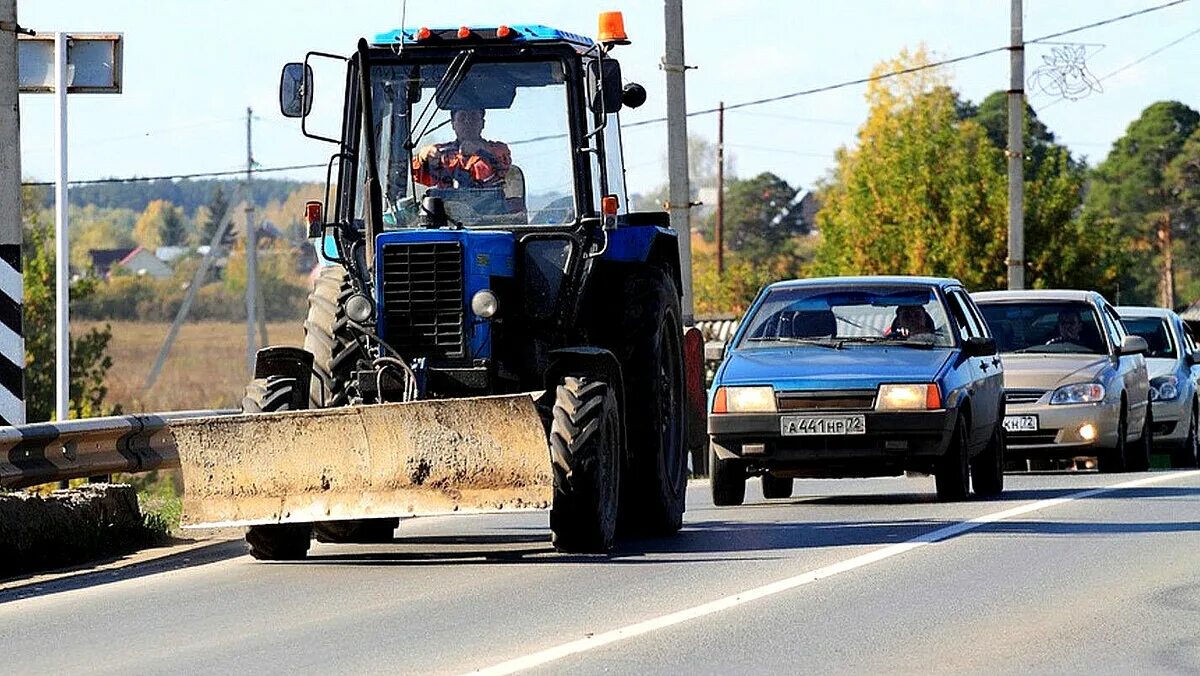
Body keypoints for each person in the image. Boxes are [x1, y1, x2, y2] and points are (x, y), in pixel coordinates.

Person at [411, 108, 525, 213]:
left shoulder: (496, 150)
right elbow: (417, 174)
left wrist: (479, 149)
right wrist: (424, 156)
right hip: (448, 217)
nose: (468, 122)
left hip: (491, 216)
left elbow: (503, 164)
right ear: (453, 124)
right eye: (462, 118)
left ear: (482, 124)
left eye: (473, 117)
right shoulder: (442, 153)